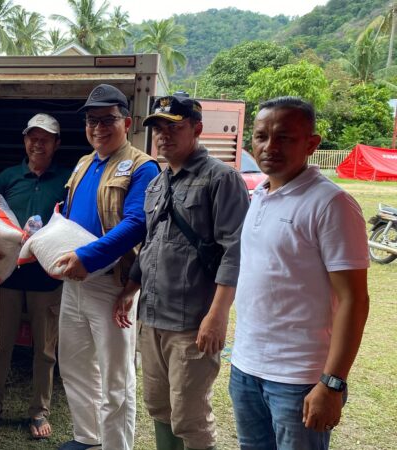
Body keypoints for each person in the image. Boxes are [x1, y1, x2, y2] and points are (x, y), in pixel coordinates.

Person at [229, 97, 370, 450]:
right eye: (261, 136)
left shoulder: (330, 204)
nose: (269, 146)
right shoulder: (259, 195)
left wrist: (332, 383)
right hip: (245, 368)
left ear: (311, 143)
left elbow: (355, 299)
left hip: (299, 379)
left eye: (285, 138)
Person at [114, 95, 249, 450]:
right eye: (158, 129)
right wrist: (130, 288)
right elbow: (152, 242)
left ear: (197, 129)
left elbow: (235, 251)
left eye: (174, 127)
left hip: (193, 322)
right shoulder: (158, 183)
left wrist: (217, 316)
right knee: (159, 406)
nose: (163, 136)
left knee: (190, 415)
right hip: (153, 316)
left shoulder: (222, 179)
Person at [55, 84, 159, 450]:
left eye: (107, 119)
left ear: (127, 122)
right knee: (74, 362)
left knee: (116, 377)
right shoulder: (85, 162)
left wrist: (88, 257)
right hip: (75, 281)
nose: (98, 127)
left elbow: (136, 224)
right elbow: (69, 213)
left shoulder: (143, 167)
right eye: (91, 120)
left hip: (112, 284)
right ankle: (89, 437)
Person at [0, 113, 69, 439]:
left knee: (46, 352)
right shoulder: (8, 177)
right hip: (7, 277)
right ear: (25, 141)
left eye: (45, 138)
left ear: (56, 144)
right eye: (33, 137)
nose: (38, 143)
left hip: (47, 278)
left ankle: (39, 412)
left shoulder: (66, 180)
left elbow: (74, 223)